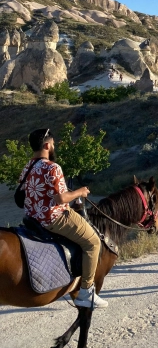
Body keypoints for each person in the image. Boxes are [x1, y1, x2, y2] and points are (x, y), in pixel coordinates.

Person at [18, 128, 107, 309]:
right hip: (54, 218)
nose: (53, 146)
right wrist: (80, 192)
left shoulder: (27, 167)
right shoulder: (52, 167)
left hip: (33, 218)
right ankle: (87, 292)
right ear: (47, 145)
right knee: (93, 242)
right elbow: (61, 198)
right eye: (53, 144)